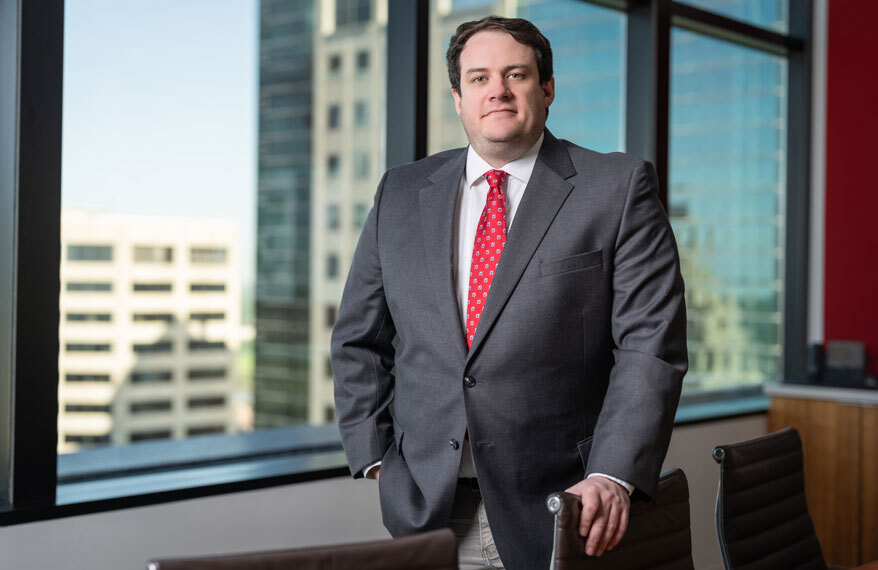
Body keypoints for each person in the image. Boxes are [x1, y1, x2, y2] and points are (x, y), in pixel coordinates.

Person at [331, 15, 687, 570]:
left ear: (547, 88)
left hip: (564, 507)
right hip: (427, 508)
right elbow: (358, 338)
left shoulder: (616, 189)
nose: (496, 90)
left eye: (515, 74)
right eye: (478, 78)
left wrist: (611, 473)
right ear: (458, 98)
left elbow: (650, 345)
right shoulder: (400, 192)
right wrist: (376, 457)